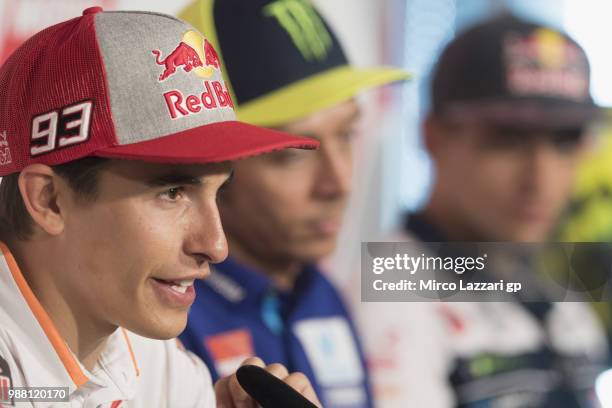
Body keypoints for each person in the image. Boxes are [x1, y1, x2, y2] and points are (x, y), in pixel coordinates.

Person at [0, 6, 323, 407]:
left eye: (217, 192)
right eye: (172, 192)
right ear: (49, 200)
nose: (216, 246)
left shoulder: (154, 359)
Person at [357, 14, 610, 407]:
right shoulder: (390, 285)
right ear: (433, 136)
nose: (540, 179)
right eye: (507, 140)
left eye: (564, 143)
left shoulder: (548, 285)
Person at [177, 0, 409, 407]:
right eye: (294, 152)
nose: (338, 182)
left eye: (347, 135)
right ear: (203, 165)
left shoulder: (319, 292)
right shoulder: (162, 319)